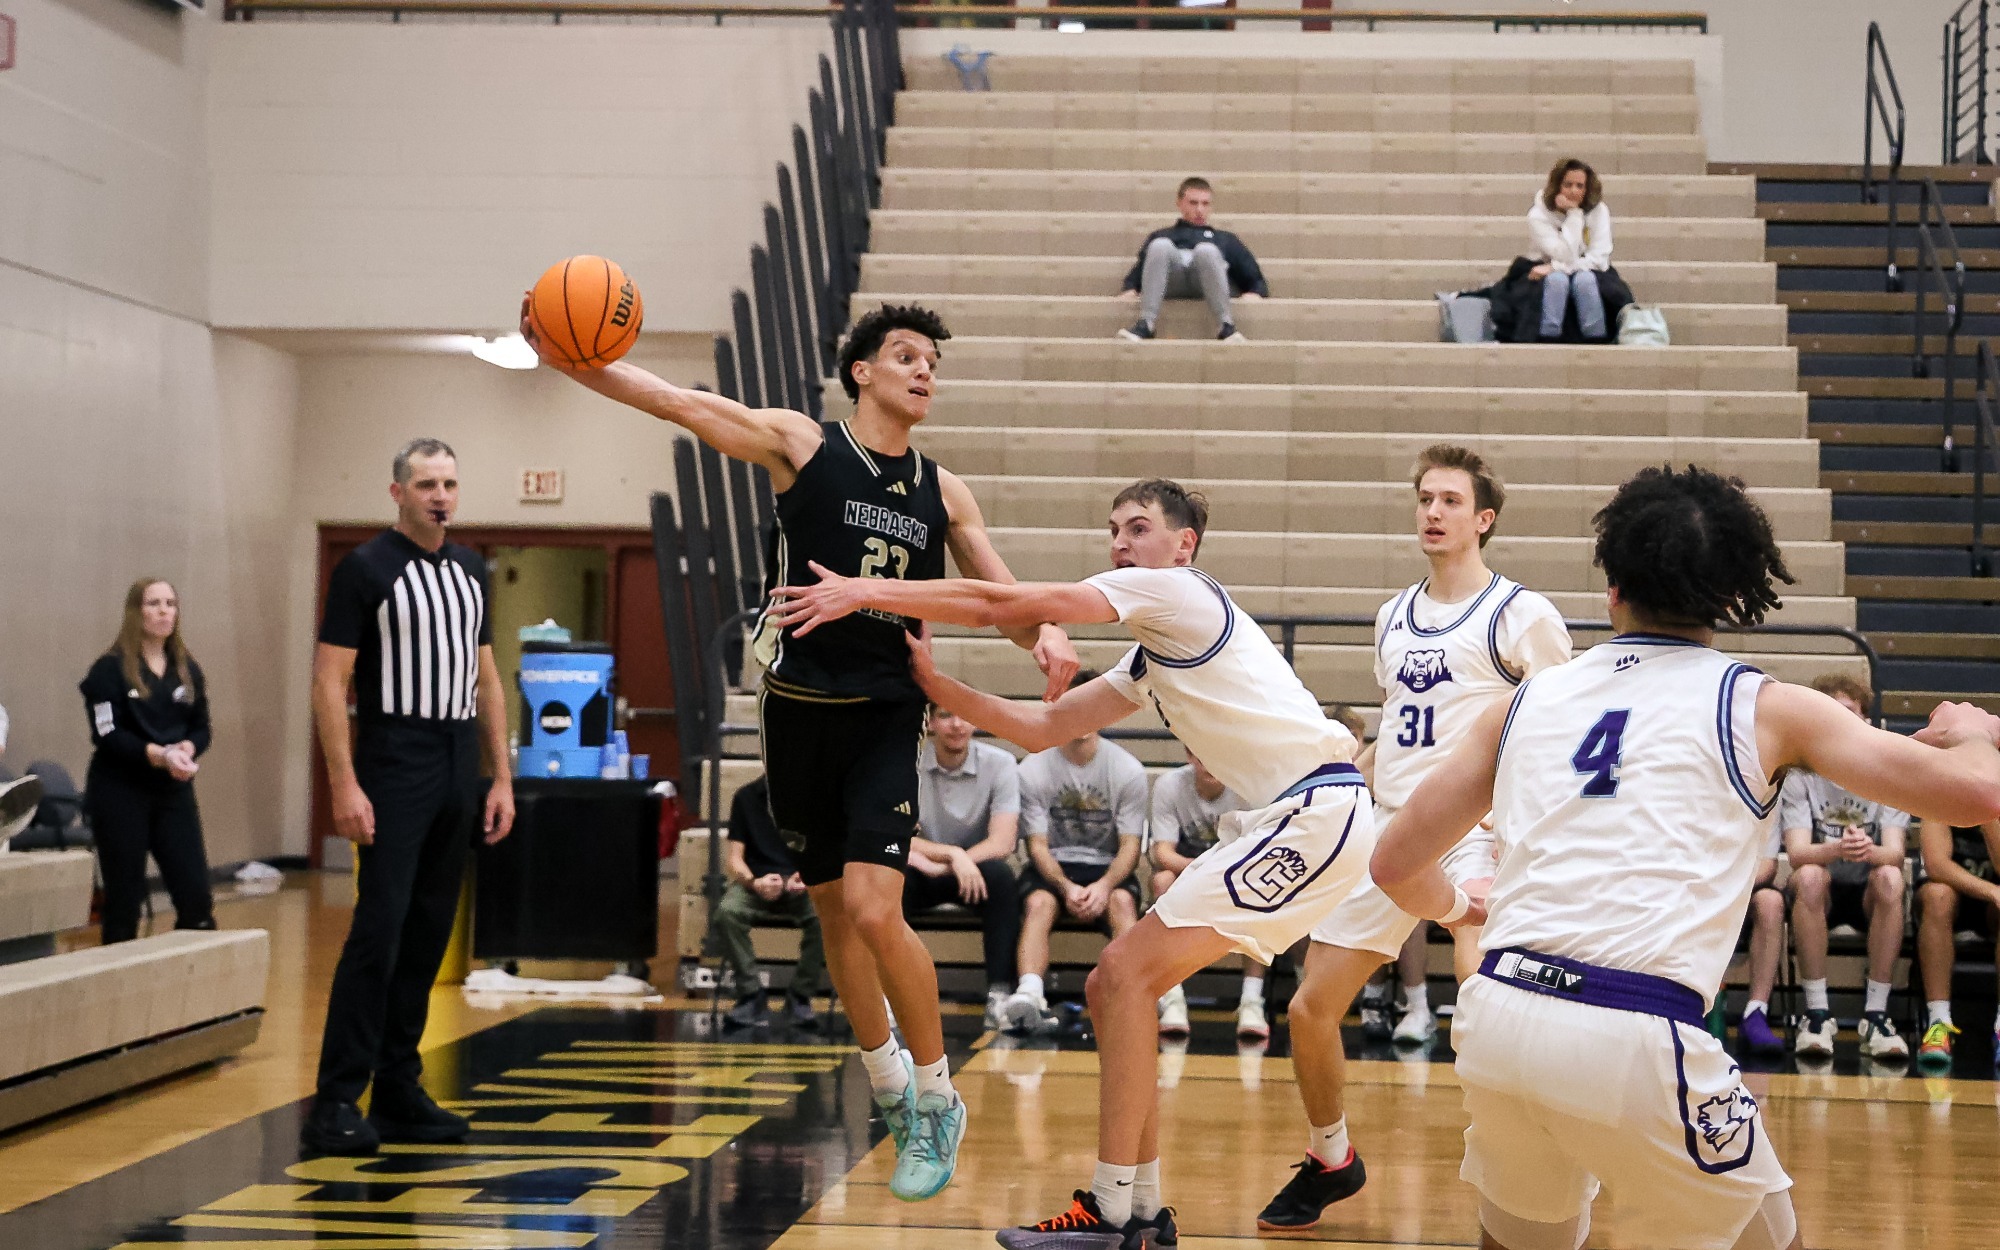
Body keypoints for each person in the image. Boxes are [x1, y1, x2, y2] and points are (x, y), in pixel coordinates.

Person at [525, 299, 1077, 1203]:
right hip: (795, 715)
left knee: (871, 906)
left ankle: (937, 1097)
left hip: (882, 715)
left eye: (933, 360)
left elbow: (998, 592)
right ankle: (891, 1088)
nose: (925, 370)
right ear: (862, 371)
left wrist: (1046, 635)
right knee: (831, 913)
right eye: (906, 356)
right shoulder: (802, 446)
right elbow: (675, 402)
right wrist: (570, 358)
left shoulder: (944, 490)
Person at [1372, 463, 2000, 1250]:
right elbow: (1980, 796)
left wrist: (1458, 908)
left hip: (1498, 1012)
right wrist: (1972, 729)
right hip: (1632, 1029)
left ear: (1612, 585)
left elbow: (1394, 864)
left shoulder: (1525, 702)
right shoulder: (1765, 704)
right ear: (1736, 598)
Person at [769, 478, 1367, 1249]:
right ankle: (1140, 1213)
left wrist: (865, 590)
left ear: (1182, 546)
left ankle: (1115, 1216)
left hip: (1315, 816)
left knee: (1120, 977)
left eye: (1140, 527)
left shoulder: (1178, 594)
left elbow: (1000, 606)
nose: (1122, 542)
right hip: (1295, 819)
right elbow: (1047, 725)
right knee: (1120, 985)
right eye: (1114, 528)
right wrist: (936, 684)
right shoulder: (1158, 651)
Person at [1259, 445, 1571, 1232]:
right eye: (1425, 498)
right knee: (1309, 1008)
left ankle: (1542, 1157)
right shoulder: (1394, 612)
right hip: (1390, 829)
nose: (1433, 512)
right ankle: (1331, 1158)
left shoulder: (1520, 614)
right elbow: (1401, 729)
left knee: (1483, 985)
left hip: (1477, 828)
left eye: (1451, 501)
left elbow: (1561, 733)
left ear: (1484, 518)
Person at [304, 438, 515, 1156]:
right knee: (379, 932)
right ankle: (336, 1098)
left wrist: (501, 778)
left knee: (428, 934)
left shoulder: (470, 570)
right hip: (395, 757)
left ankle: (397, 1088)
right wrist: (344, 781)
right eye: (426, 483)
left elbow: (487, 679)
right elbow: (330, 682)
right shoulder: (363, 569)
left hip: (457, 760)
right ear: (397, 492)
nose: (440, 496)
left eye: (450, 483)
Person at [997, 683, 1150, 1035]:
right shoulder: (1033, 768)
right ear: (1059, 708)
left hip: (1105, 866)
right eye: (1076, 707)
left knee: (1123, 902)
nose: (1083, 717)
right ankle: (1030, 992)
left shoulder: (1128, 770)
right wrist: (1065, 886)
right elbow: (1036, 845)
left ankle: (1130, 994)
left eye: (1092, 708)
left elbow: (1130, 846)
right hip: (1056, 866)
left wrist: (1103, 886)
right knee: (1038, 903)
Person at [1779, 674, 1910, 1061]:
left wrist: (1868, 850)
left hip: (1868, 888)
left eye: (1848, 712)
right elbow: (1799, 853)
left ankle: (1876, 1015)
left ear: (1866, 722)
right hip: (1823, 889)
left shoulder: (1889, 768)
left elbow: (1895, 854)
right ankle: (1817, 1015)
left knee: (1890, 878)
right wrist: (1837, 847)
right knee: (1809, 877)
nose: (1839, 720)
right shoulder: (1800, 772)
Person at [79, 579, 217, 945]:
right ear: (135, 612)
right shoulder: (108, 671)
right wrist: (158, 754)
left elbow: (202, 727)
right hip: (121, 792)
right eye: (153, 603)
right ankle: (117, 983)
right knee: (125, 901)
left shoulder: (186, 669)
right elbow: (107, 735)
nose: (163, 611)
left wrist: (186, 748)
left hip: (172, 792)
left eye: (170, 603)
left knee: (196, 896)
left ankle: (197, 982)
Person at [907, 703, 1024, 1028]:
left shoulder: (1001, 764)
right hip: (922, 868)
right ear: (929, 722)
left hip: (974, 869)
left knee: (1002, 879)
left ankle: (999, 996)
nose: (957, 724)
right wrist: (951, 856)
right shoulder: (906, 762)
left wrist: (958, 861)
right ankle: (889, 998)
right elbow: (895, 837)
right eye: (946, 715)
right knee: (888, 880)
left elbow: (1002, 842)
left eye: (965, 714)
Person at [1146, 750, 1260, 1040]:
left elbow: (1255, 855)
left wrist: (1216, 875)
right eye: (1201, 753)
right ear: (1189, 755)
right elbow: (1162, 853)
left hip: (1234, 877)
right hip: (1189, 875)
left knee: (1261, 891)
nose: (1210, 761)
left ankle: (1251, 1001)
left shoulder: (1248, 789)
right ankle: (1172, 998)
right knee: (1161, 882)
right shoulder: (1169, 785)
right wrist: (1202, 873)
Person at [712, 774, 825, 1029]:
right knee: (727, 912)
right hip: (757, 881)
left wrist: (809, 874)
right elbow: (734, 859)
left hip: (801, 882)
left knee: (826, 918)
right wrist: (754, 882)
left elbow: (826, 850)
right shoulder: (747, 796)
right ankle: (750, 993)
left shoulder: (816, 798)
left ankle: (800, 995)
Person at [1117, 176, 1267, 345]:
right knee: (1160, 246)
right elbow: (1141, 270)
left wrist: (1255, 291)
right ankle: (1146, 324)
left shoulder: (1225, 239)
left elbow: (1253, 276)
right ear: (1179, 203)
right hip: (1171, 284)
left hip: (1207, 286)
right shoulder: (1162, 235)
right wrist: (1130, 288)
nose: (1199, 209)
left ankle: (1226, 325)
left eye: (1205, 204)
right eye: (1193, 203)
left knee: (1206, 250)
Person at [1913, 817, 2000, 1069]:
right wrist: (1990, 891)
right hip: (1951, 895)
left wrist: (1989, 818)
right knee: (1937, 896)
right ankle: (1938, 1024)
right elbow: (1936, 865)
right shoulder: (1944, 789)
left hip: (1992, 909)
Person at [1527, 158, 1619, 342]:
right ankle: (1548, 337)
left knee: (1584, 280)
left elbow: (1599, 259)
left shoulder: (1599, 211)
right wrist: (1575, 214)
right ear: (1557, 185)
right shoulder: (1537, 216)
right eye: (1567, 185)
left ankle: (1596, 339)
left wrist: (1557, 267)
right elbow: (1565, 254)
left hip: (1590, 270)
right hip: (1543, 269)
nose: (1574, 191)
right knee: (1557, 281)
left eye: (1580, 186)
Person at [1735, 828, 1790, 1058]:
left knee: (1770, 902)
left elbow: (1768, 864)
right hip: (1702, 883)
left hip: (1745, 885)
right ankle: (1691, 1006)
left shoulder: (1764, 793)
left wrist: (1731, 885)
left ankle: (1756, 1012)